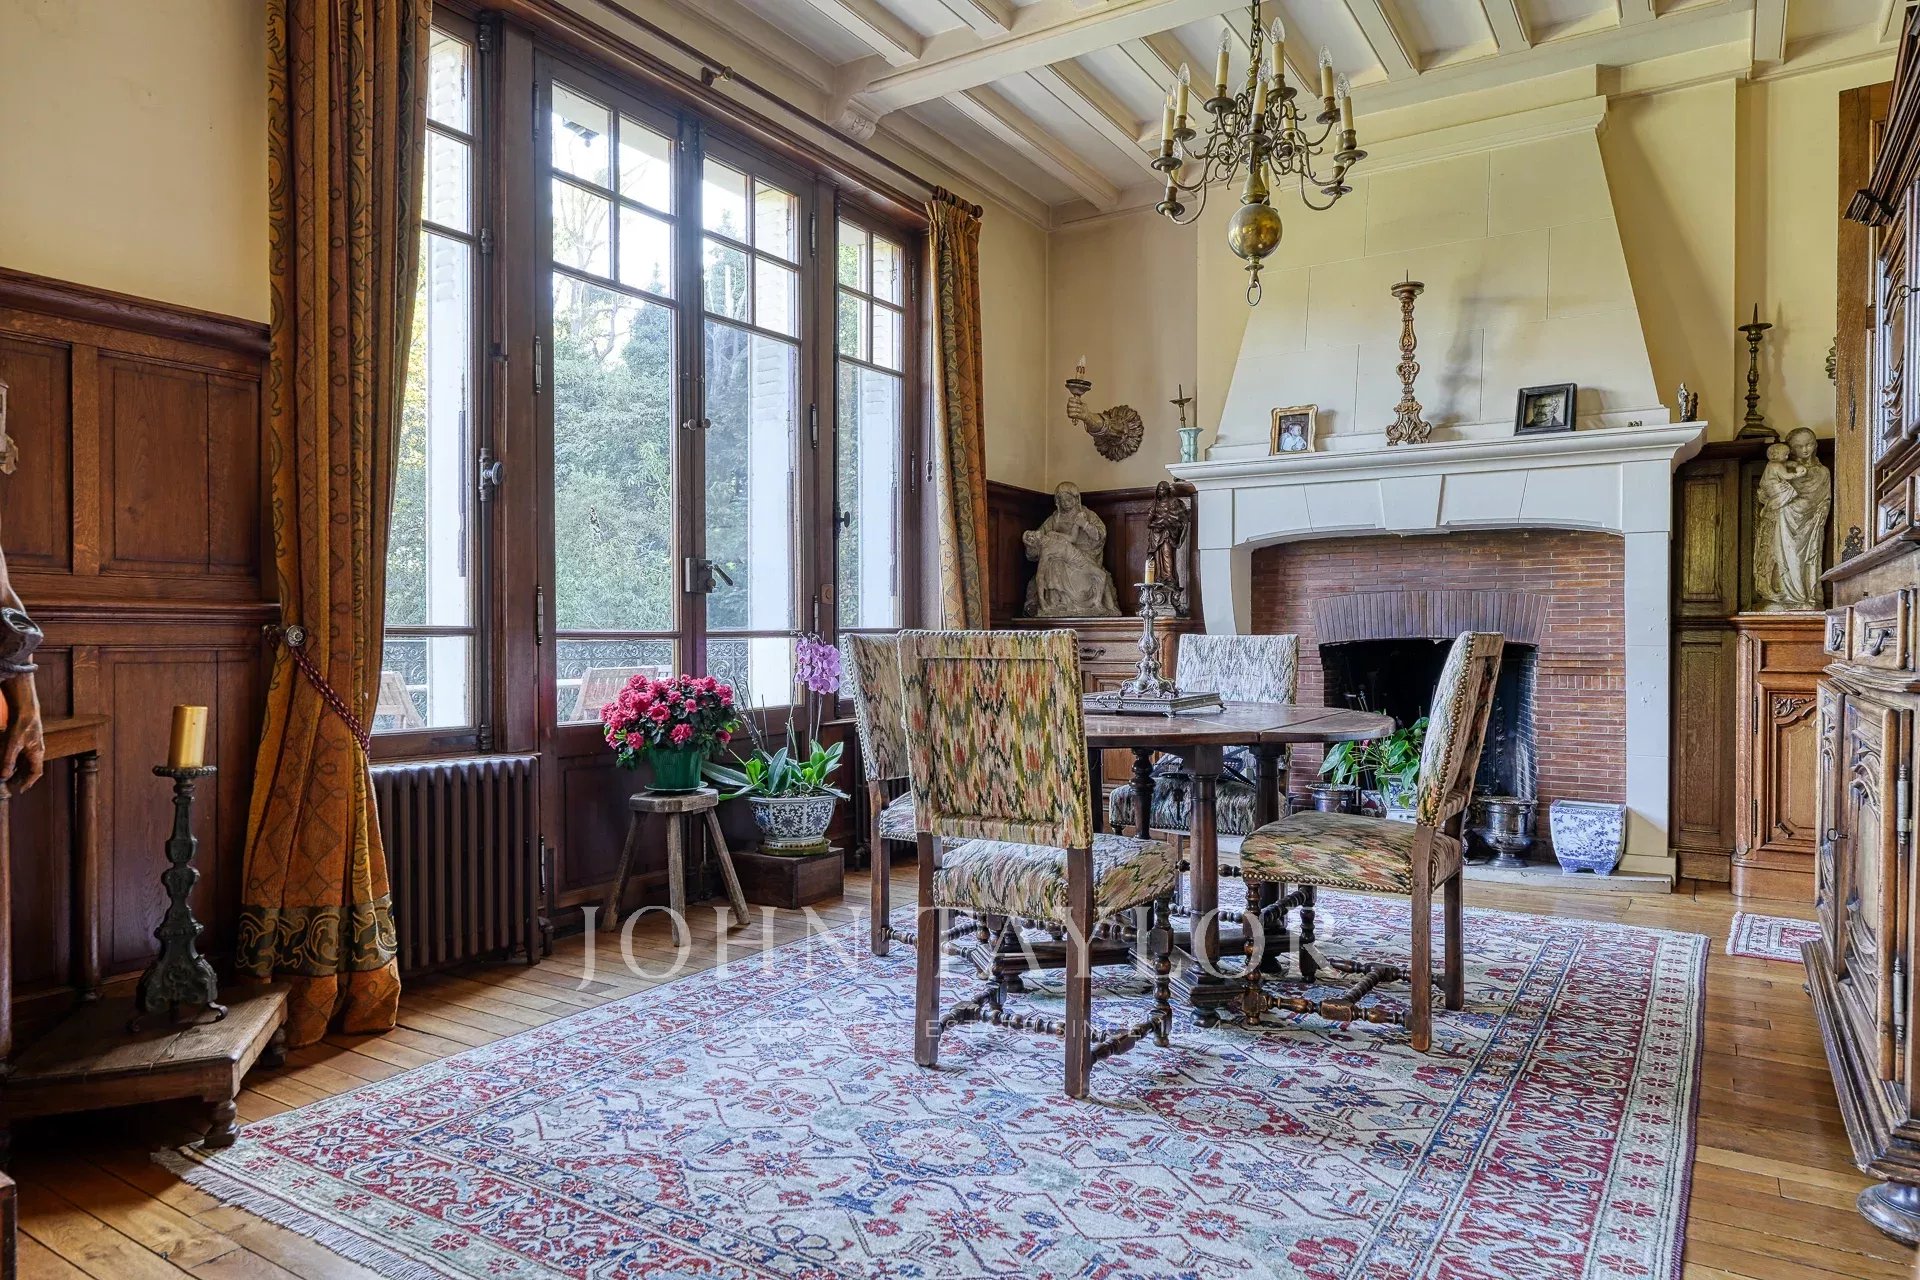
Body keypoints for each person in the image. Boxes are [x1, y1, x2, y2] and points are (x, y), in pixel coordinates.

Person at [1753, 427, 1831, 612]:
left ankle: (1804, 596)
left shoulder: (1822, 472)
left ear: (1815, 445)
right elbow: (1766, 492)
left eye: (1809, 444)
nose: (1805, 449)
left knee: (1803, 558)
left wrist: (1820, 510)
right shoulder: (1781, 468)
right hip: (1783, 520)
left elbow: (1825, 499)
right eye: (1799, 446)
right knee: (1780, 554)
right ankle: (1783, 595)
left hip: (1809, 524)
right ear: (1790, 449)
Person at [1023, 482, 1120, 618]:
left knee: (1098, 575)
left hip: (1085, 554)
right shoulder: (1054, 519)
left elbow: (1099, 535)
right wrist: (1031, 546)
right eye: (1062, 500)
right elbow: (1039, 541)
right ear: (1057, 502)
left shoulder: (1087, 515)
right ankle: (1056, 603)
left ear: (1076, 499)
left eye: (1068, 499)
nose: (1065, 503)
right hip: (1061, 557)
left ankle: (1098, 604)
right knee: (1053, 564)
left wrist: (1085, 525)